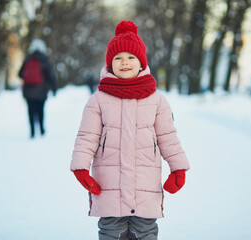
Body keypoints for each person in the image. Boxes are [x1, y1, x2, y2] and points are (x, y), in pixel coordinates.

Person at [70, 20, 190, 240]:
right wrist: (80, 168)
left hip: (145, 184)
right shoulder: (97, 101)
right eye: (118, 58)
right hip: (108, 185)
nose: (124, 62)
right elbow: (87, 137)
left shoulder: (157, 100)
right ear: (109, 63)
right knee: (110, 230)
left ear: (142, 63)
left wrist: (178, 168)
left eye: (131, 57)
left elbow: (168, 137)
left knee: (145, 231)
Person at [18, 39, 57, 138]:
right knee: (40, 110)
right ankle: (42, 129)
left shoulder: (28, 59)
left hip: (28, 91)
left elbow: (20, 74)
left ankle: (32, 132)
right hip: (41, 91)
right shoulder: (44, 60)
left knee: (31, 111)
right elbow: (50, 76)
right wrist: (54, 88)